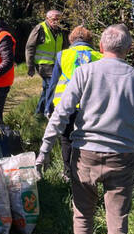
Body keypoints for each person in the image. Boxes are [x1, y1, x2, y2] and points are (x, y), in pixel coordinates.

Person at [35, 24, 134, 234]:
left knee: (83, 214)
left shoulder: (84, 73)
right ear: (128, 49)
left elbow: (60, 115)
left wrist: (44, 152)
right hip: (123, 157)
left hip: (86, 157)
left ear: (101, 48)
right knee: (118, 222)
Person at [44, 25, 103, 181]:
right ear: (91, 40)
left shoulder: (62, 55)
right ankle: (89, 173)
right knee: (89, 139)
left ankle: (68, 173)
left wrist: (47, 106)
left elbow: (53, 83)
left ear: (71, 40)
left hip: (66, 105)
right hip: (90, 106)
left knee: (66, 139)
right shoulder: (99, 56)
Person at [25, 10, 68, 115]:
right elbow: (30, 47)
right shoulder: (40, 28)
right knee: (51, 86)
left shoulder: (60, 30)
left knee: (47, 88)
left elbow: (65, 47)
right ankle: (47, 112)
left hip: (56, 65)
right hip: (43, 64)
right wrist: (30, 66)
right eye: (54, 19)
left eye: (58, 19)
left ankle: (39, 113)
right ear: (48, 18)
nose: (56, 21)